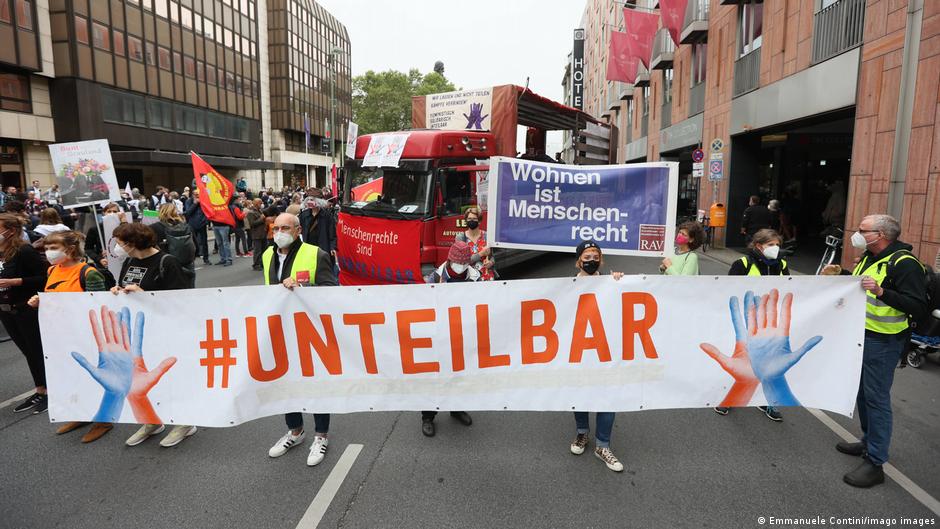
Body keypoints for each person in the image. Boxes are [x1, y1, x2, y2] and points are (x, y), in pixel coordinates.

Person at [822, 214, 927, 488]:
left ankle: (875, 461)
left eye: (862, 230)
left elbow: (917, 306)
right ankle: (868, 441)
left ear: (880, 235)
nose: (856, 234)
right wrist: (842, 276)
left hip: (884, 341)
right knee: (862, 393)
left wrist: (882, 292)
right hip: (860, 335)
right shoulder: (870, 257)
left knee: (876, 398)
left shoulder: (905, 264)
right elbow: (861, 288)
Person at [110, 222, 195, 447]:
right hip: (140, 332)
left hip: (167, 330)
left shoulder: (167, 262)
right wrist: (117, 292)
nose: (117, 248)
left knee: (172, 377)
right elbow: (124, 286)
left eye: (120, 243)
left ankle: (184, 422)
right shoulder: (129, 261)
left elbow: (181, 301)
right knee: (143, 380)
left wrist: (144, 295)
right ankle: (152, 420)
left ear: (133, 243)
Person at [263, 213, 338, 466]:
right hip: (281, 330)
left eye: (285, 228)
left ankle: (321, 435)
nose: (279, 232)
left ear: (298, 230)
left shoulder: (316, 254)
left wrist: (303, 288)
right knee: (286, 382)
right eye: (276, 228)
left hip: (311, 331)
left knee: (316, 383)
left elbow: (332, 291)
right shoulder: (267, 255)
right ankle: (295, 431)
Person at [27, 231, 112, 442]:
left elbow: (98, 306)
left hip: (86, 335)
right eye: (47, 248)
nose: (48, 252)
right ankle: (82, 414)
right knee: (72, 376)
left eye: (53, 248)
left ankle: (103, 420)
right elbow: (54, 298)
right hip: (61, 334)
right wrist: (40, 301)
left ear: (70, 249)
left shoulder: (88, 273)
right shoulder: (52, 270)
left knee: (93, 376)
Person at [715, 228, 788, 421]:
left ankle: (768, 402)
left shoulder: (782, 264)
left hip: (770, 322)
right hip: (747, 321)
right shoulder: (743, 264)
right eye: (771, 245)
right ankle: (728, 399)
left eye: (777, 244)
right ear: (758, 246)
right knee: (743, 362)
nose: (775, 248)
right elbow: (727, 289)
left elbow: (791, 288)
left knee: (770, 363)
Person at [568, 240, 625, 472]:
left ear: (601, 260)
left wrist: (619, 283)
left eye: (595, 257)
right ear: (578, 261)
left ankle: (603, 445)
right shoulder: (567, 287)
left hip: (605, 351)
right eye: (587, 257)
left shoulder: (612, 283)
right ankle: (582, 433)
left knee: (607, 396)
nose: (591, 261)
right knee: (579, 393)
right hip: (579, 351)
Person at [420, 242, 477, 437]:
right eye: (458, 263)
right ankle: (428, 417)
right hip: (439, 334)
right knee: (434, 377)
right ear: (450, 260)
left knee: (460, 375)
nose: (461, 267)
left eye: (464, 264)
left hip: (463, 334)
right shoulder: (435, 278)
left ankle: (456, 408)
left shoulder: (475, 278)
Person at [0, 214, 49, 414]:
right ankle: (40, 390)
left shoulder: (24, 251)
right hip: (6, 311)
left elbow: (44, 277)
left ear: (10, 231)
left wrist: (16, 281)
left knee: (37, 350)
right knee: (27, 352)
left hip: (26, 309)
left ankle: (51, 391)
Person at [151, 203, 196, 288]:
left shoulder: (155, 227)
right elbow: (195, 244)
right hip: (187, 263)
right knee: (190, 290)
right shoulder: (186, 226)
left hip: (167, 264)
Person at [454, 206, 494, 281]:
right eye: (469, 219)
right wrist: (481, 254)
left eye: (474, 219)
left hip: (486, 278)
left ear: (479, 221)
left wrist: (491, 262)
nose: (471, 221)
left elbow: (492, 256)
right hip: (468, 279)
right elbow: (462, 261)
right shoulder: (461, 237)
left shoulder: (486, 235)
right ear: (466, 220)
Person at [299, 198, 337, 264]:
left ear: (319, 201)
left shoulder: (327, 215)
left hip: (323, 247)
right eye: (308, 199)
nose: (309, 202)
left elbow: (332, 233)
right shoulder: (304, 215)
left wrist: (332, 247)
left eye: (312, 200)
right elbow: (300, 231)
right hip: (308, 247)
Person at [184, 188, 211, 266]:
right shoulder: (189, 201)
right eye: (195, 194)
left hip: (202, 224)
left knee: (204, 242)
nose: (197, 196)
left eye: (198, 195)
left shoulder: (203, 200)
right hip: (192, 224)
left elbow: (207, 210)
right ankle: (192, 260)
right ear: (192, 195)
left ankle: (206, 258)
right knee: (192, 243)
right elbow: (188, 213)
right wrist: (195, 204)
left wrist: (206, 220)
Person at [246, 199, 267, 271]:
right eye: (260, 203)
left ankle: (262, 263)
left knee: (264, 249)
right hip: (256, 234)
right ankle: (256, 264)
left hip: (263, 233)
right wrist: (261, 218)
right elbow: (252, 224)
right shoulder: (251, 212)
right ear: (256, 204)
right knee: (257, 250)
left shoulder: (260, 211)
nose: (261, 204)